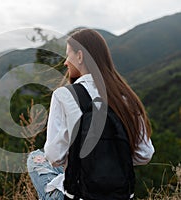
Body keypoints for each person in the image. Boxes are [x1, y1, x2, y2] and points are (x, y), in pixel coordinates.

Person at [27, 29, 155, 200]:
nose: (65, 62)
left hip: (81, 195)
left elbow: (54, 156)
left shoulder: (64, 95)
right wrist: (108, 161)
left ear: (80, 56)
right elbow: (145, 154)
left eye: (68, 55)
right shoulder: (124, 97)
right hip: (122, 195)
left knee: (35, 157)